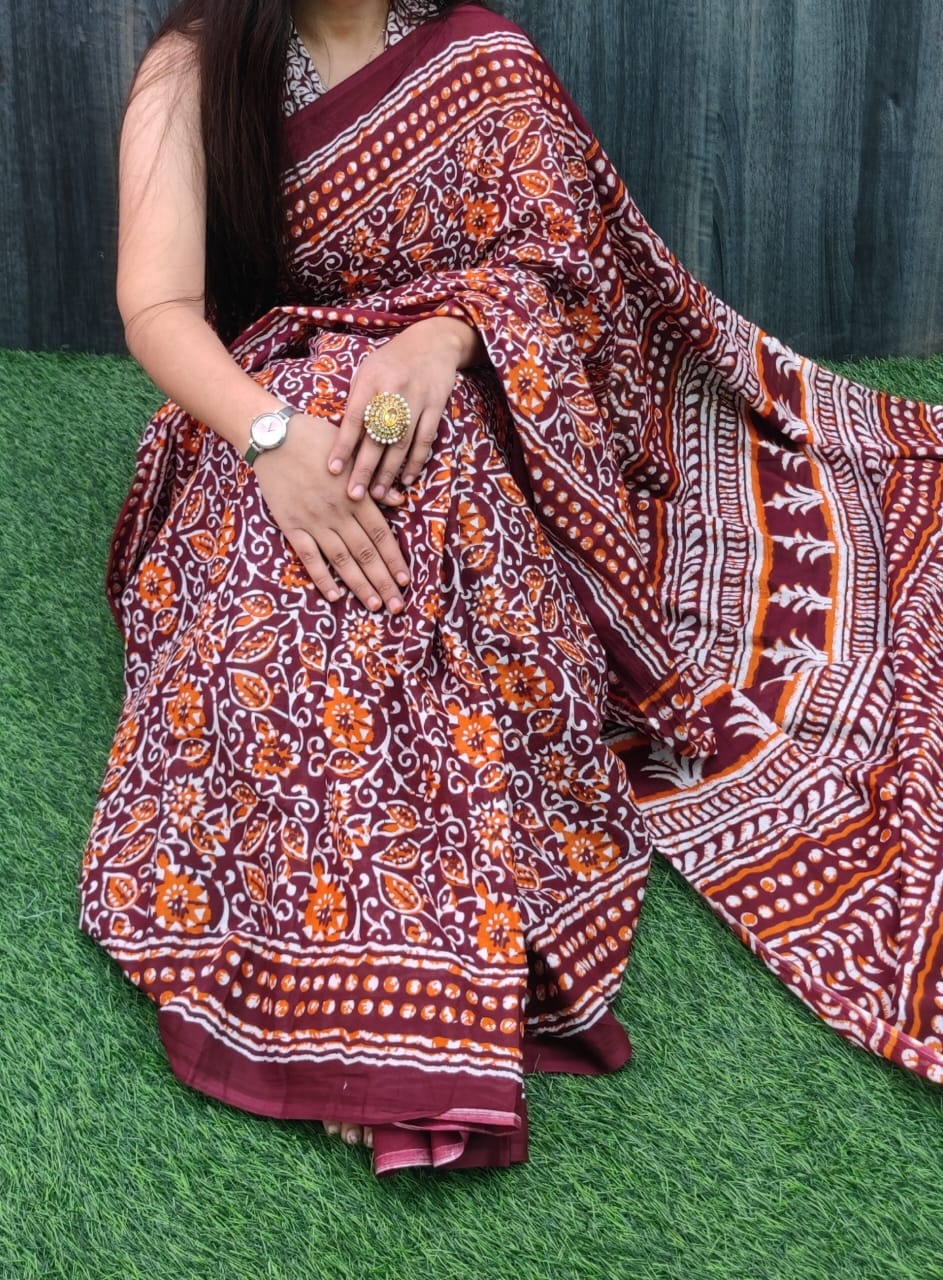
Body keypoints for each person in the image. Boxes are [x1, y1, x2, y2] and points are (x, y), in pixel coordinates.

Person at [81, 0, 943, 1174]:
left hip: (475, 420)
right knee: (278, 621)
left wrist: (442, 339)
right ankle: (369, 989)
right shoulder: (195, 70)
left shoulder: (482, 57)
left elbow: (570, 272)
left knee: (414, 570)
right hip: (260, 413)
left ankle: (383, 1005)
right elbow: (159, 310)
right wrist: (276, 439)